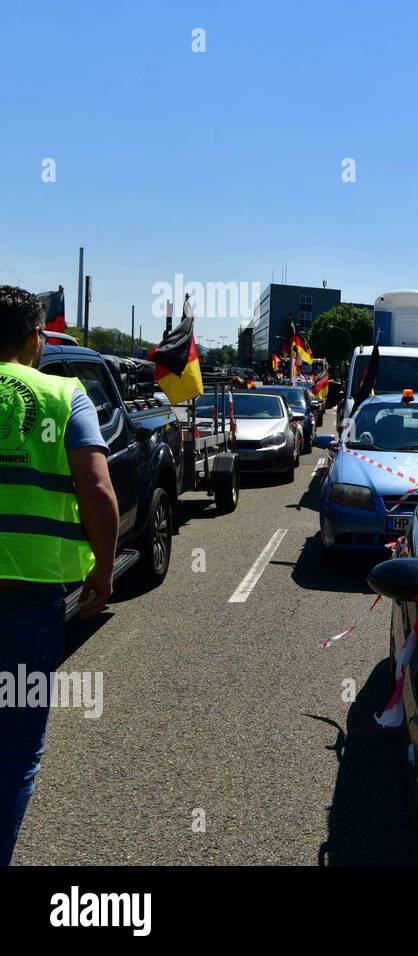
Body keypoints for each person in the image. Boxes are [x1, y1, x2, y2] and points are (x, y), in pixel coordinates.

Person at [0, 286, 119, 866]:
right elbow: (97, 492)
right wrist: (101, 567)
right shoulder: (63, 394)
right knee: (13, 749)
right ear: (35, 337)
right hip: (27, 597)